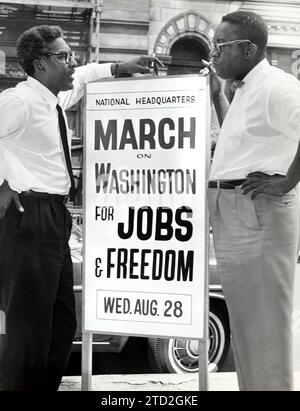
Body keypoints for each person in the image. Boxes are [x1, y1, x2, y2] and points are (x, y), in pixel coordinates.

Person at [0, 24, 161, 391]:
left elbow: (85, 75)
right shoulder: (18, 101)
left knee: (60, 322)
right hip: (28, 218)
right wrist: (3, 183)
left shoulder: (53, 99)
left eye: (71, 55)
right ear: (40, 64)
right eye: (64, 56)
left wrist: (119, 67)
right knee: (28, 327)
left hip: (53, 218)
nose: (73, 62)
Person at [208, 11, 300, 391]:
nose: (214, 54)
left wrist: (288, 181)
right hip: (236, 212)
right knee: (247, 331)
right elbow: (248, 141)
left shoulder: (278, 87)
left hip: (257, 214)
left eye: (221, 46)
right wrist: (217, 98)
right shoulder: (245, 87)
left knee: (265, 333)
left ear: (248, 49)